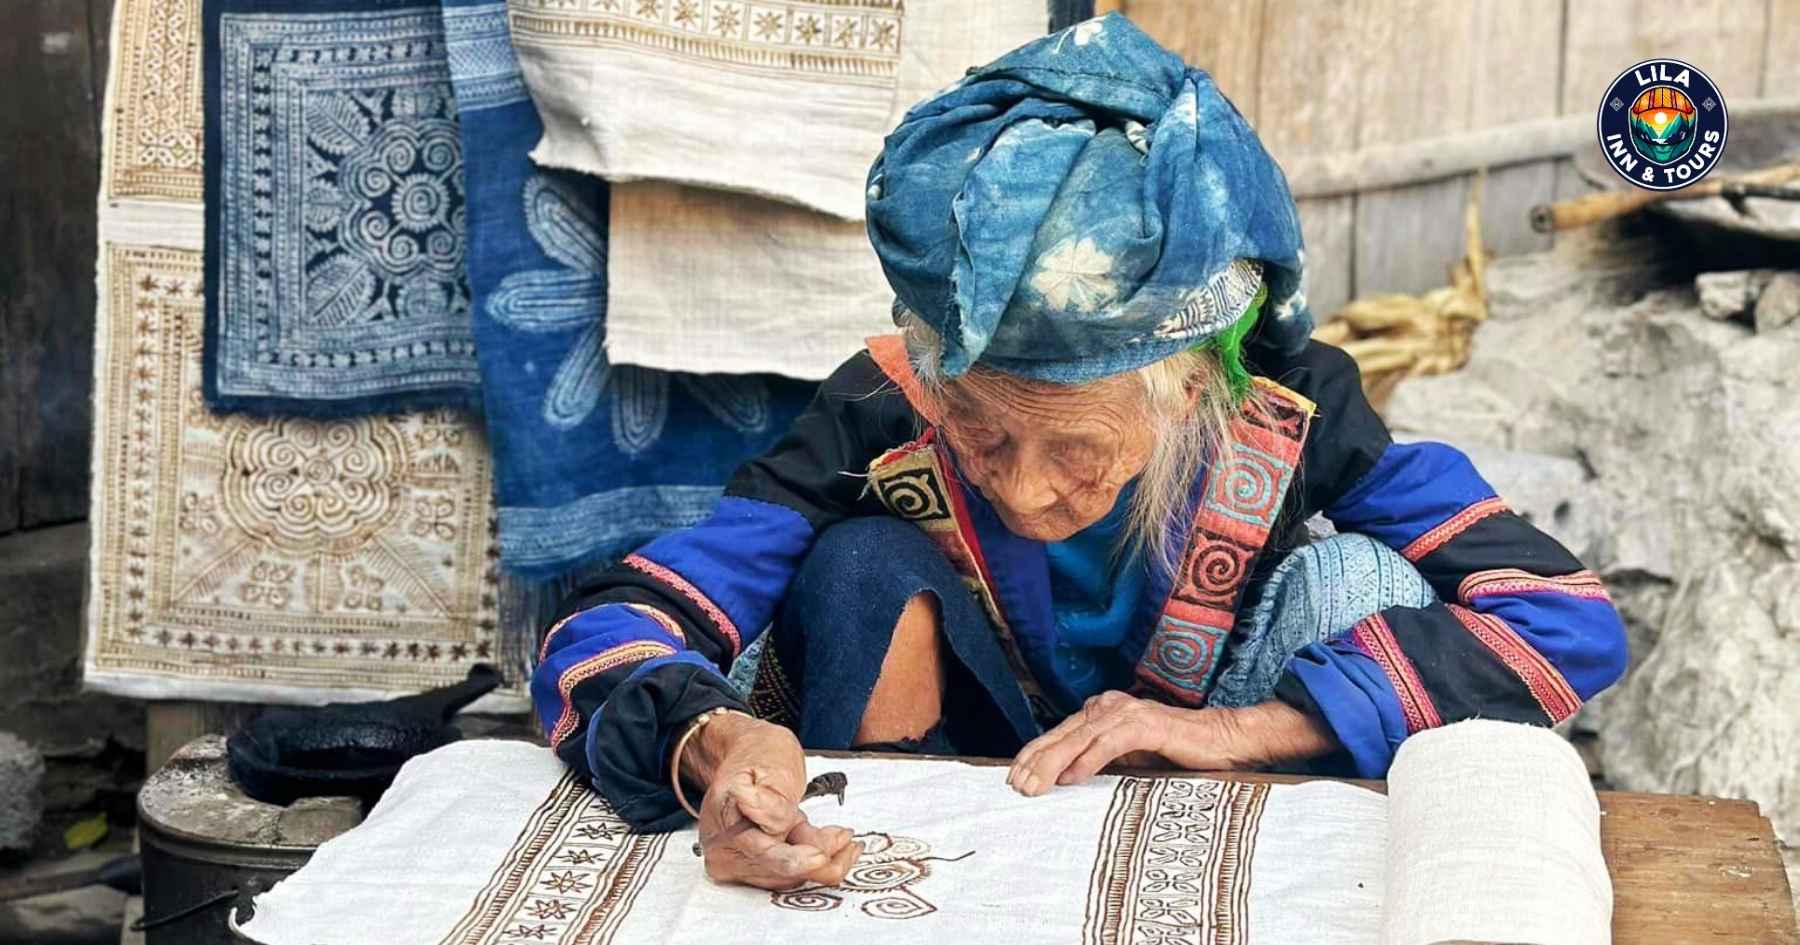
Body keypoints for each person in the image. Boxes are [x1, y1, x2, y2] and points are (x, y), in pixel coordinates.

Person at [530, 14, 1628, 892]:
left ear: (1192, 385)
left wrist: (1245, 728)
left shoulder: (1293, 413)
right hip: (958, 778)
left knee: (1359, 580)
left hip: (1215, 772)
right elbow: (606, 628)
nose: (1021, 487)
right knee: (856, 561)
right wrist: (710, 745)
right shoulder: (880, 404)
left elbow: (1563, 615)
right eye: (981, 429)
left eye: (1079, 449)